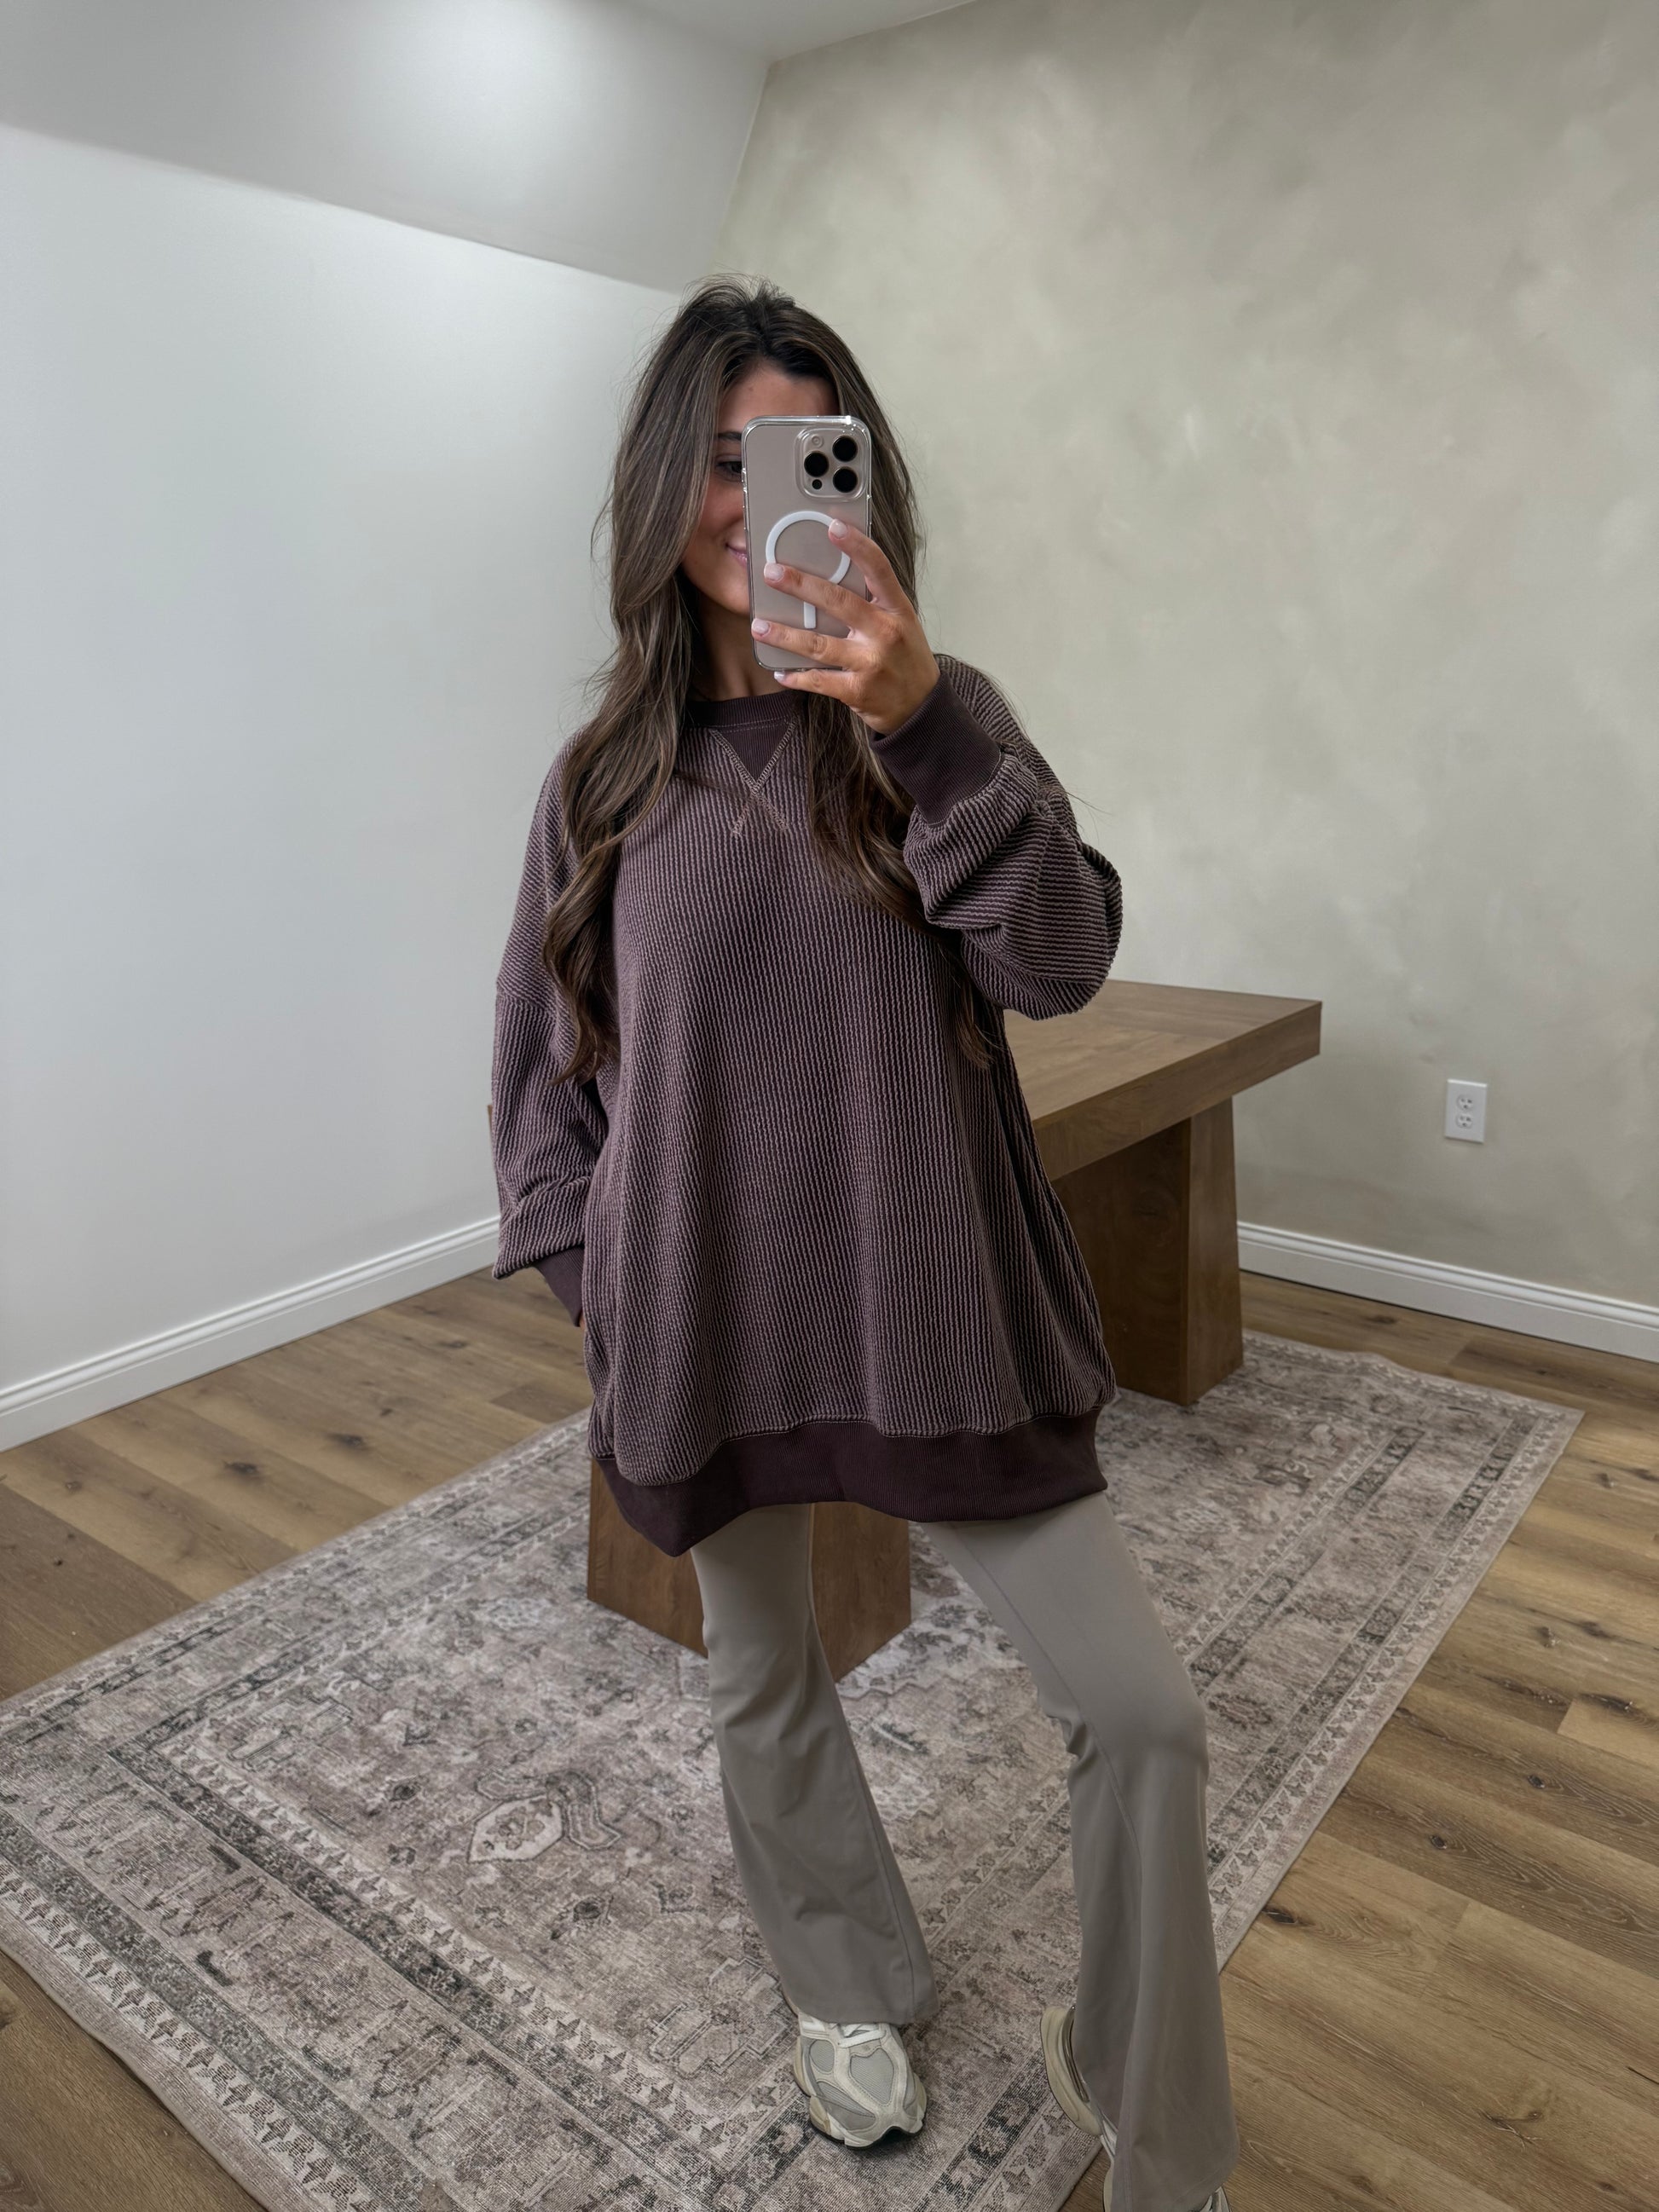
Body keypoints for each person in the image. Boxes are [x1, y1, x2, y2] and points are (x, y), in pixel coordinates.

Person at [488, 273, 1238, 2212]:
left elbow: (1057, 961)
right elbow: (543, 1087)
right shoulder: (598, 784)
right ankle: (846, 1982)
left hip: (936, 1309)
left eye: (796, 458)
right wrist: (608, 1282)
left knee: (1141, 1716)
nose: (756, 505)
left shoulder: (927, 725)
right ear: (664, 487)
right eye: (720, 462)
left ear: (857, 482)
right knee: (762, 1674)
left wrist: (927, 722)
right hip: (709, 1321)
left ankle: (1150, 2118)